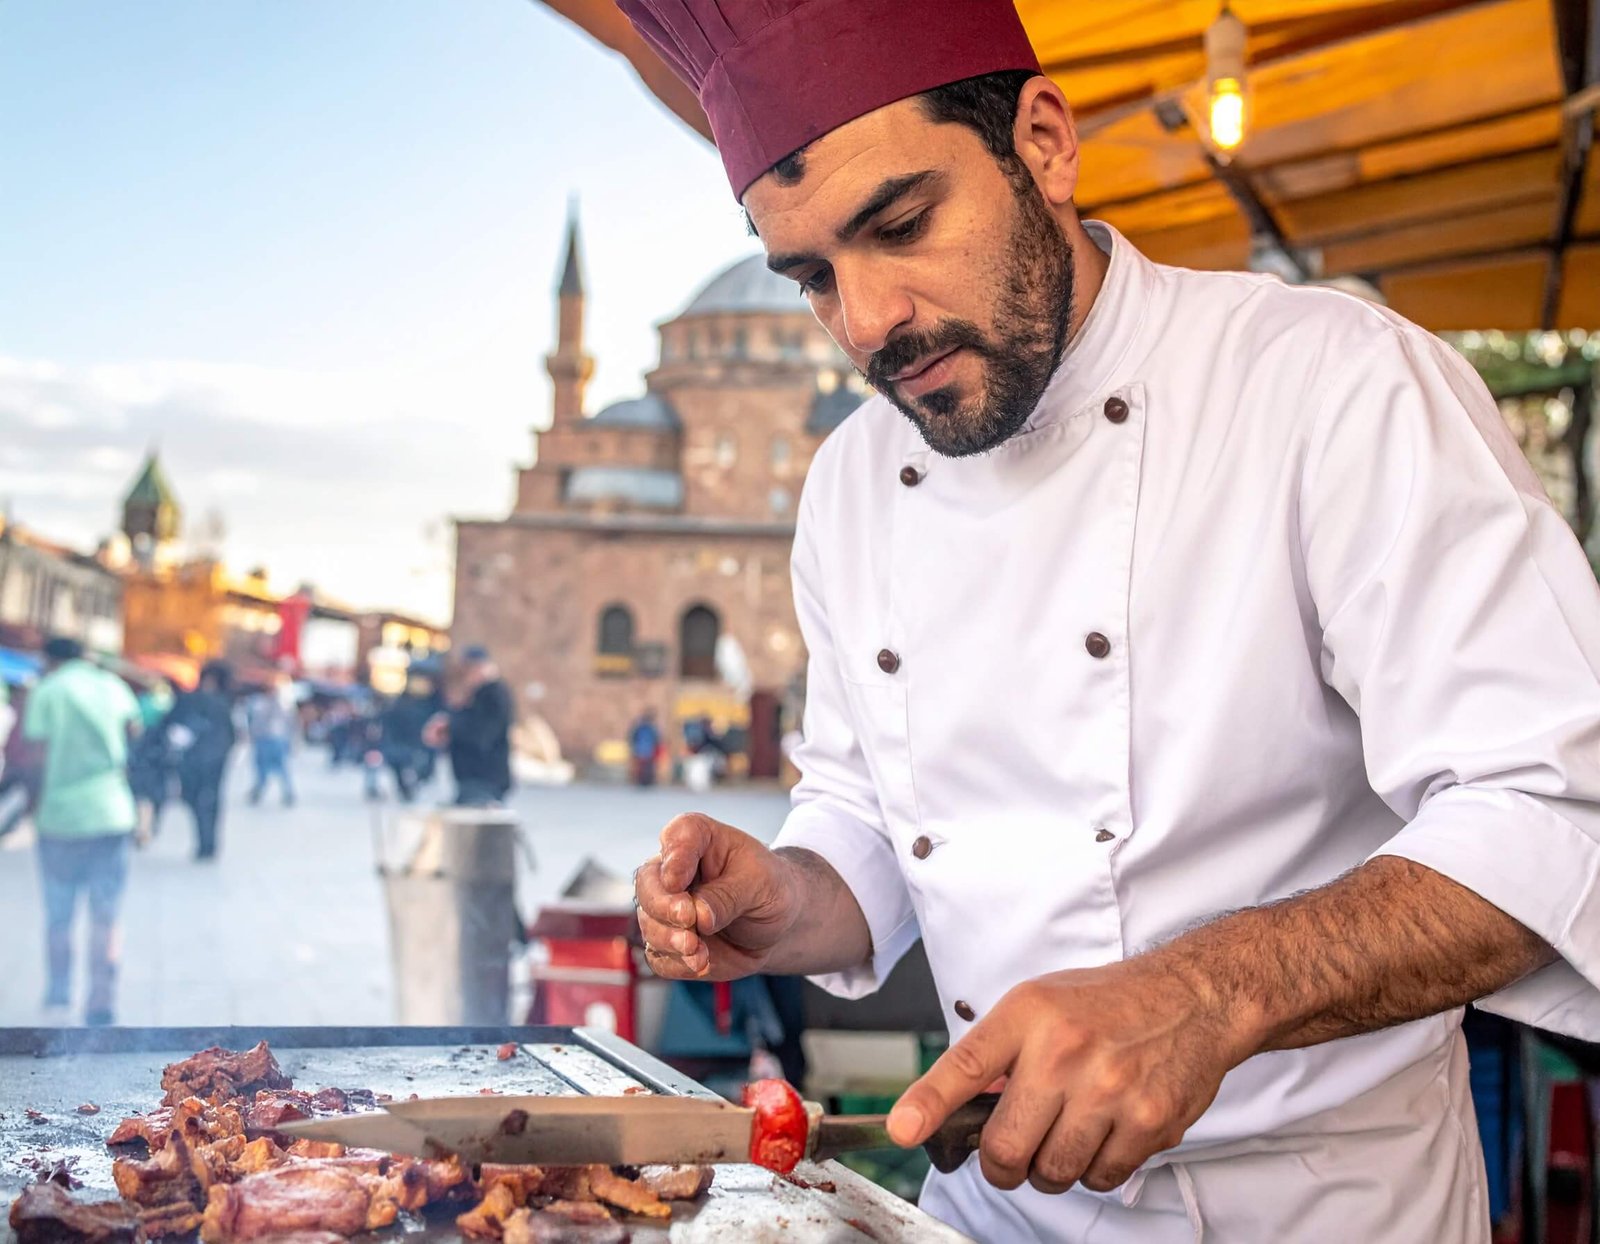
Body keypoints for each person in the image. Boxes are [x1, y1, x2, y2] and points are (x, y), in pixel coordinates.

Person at [619, 3, 1600, 1241]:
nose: (866, 323)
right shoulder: (852, 481)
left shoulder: (1330, 382)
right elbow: (868, 805)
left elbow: (1558, 802)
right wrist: (789, 893)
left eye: (901, 225)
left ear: (1042, 141)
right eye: (814, 275)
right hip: (988, 1205)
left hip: (1322, 1209)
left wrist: (1206, 991)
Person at [21, 636, 140, 1025]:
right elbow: (133, 732)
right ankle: (101, 999)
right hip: (112, 813)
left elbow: (35, 755)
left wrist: (32, 804)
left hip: (60, 818)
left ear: (50, 660)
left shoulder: (49, 690)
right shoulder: (113, 685)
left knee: (59, 911)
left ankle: (58, 991)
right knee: (106, 912)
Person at [163, 660, 236, 860]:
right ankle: (209, 842)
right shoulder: (224, 703)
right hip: (216, 759)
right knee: (211, 801)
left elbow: (169, 724)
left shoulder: (189, 700)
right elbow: (231, 734)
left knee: (195, 800)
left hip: (192, 759)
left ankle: (204, 842)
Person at [425, 646, 513, 806]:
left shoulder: (493, 695)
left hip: (484, 778)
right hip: (474, 778)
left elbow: (481, 733)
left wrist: (450, 726)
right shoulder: (480, 694)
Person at [379, 671, 443, 803]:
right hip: (402, 741)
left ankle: (412, 783)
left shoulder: (433, 703)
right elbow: (389, 720)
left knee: (420, 765)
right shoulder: (401, 703)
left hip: (421, 743)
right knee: (399, 764)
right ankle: (406, 786)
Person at [244, 671, 298, 808]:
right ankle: (263, 790)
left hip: (273, 739)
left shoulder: (271, 703)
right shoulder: (274, 703)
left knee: (275, 767)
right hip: (268, 738)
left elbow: (291, 723)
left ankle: (281, 792)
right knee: (269, 767)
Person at [629, 708, 662, 788]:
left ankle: (641, 780)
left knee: (641, 767)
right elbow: (657, 739)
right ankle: (646, 781)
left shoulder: (639, 727)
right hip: (648, 751)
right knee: (647, 767)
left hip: (640, 750)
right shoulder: (651, 728)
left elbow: (632, 738)